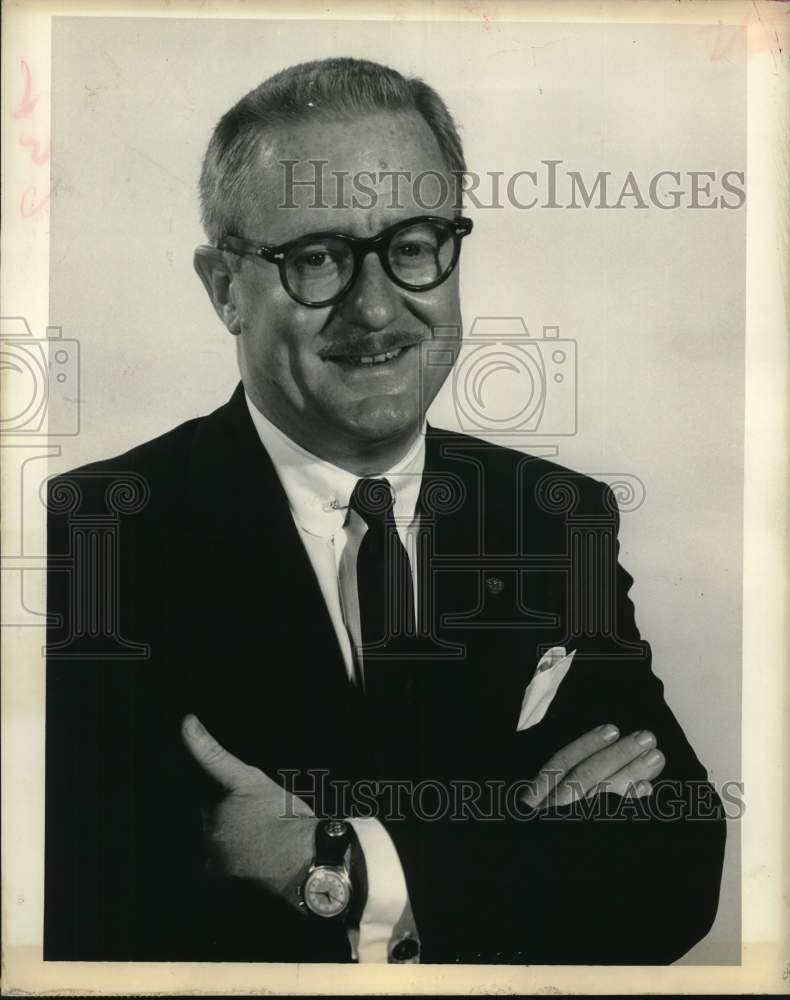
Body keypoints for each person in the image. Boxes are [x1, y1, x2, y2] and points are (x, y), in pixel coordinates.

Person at [45, 57, 725, 965]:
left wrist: (339, 870)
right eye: (315, 257)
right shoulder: (87, 535)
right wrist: (515, 851)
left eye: (411, 244)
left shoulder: (552, 519)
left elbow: (674, 869)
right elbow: (89, 906)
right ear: (222, 288)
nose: (375, 309)